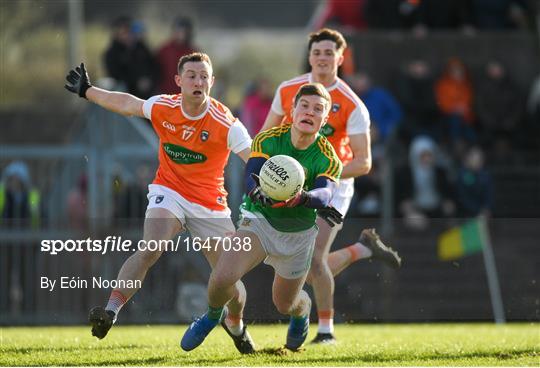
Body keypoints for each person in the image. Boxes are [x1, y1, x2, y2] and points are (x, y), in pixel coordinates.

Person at [64, 52, 256, 354]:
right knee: (151, 247)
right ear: (178, 81)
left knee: (229, 280)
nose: (198, 81)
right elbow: (128, 104)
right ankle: (111, 311)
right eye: (191, 75)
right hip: (170, 192)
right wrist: (88, 91)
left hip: (211, 204)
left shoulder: (226, 122)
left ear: (212, 82)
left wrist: (260, 181)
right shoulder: (164, 106)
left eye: (204, 76)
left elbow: (253, 158)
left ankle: (236, 325)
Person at [260, 28, 401, 344]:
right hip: (290, 185)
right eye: (317, 52)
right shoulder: (288, 90)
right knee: (301, 266)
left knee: (313, 259)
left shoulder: (352, 104)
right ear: (309, 57)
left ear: (341, 57)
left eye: (329, 53)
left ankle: (325, 331)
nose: (322, 58)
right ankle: (362, 250)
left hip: (333, 187)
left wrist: (320, 178)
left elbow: (363, 162)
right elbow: (263, 138)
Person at [181, 83, 343, 352]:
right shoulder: (268, 138)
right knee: (222, 277)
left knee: (284, 304)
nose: (309, 112)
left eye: (318, 109)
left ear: (325, 119)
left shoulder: (327, 156)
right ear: (292, 110)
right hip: (258, 222)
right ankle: (212, 317)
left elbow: (326, 193)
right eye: (304, 106)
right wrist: (256, 192)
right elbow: (251, 174)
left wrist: (303, 198)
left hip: (298, 235)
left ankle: (303, 309)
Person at [156, 17, 198, 95]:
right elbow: (156, 71)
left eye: (184, 32)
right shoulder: (164, 50)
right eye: (179, 31)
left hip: (186, 96)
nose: (181, 35)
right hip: (165, 95)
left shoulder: (194, 52)